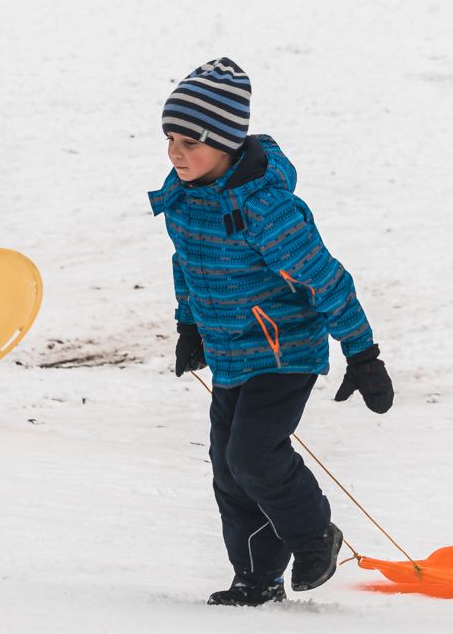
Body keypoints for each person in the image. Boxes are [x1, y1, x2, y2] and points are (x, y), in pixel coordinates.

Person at [148, 58, 395, 606]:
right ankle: (256, 579)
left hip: (286, 351)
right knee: (229, 470)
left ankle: (314, 537)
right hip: (229, 351)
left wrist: (364, 354)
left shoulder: (265, 210)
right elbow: (185, 263)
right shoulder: (183, 198)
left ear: (226, 143)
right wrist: (189, 324)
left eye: (190, 141)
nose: (175, 153)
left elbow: (327, 279)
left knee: (254, 455)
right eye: (169, 138)